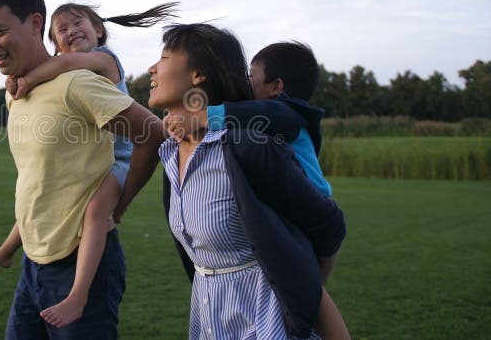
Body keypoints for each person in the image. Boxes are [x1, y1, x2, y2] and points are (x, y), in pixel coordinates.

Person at [116, 23, 347, 339]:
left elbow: (328, 227)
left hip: (267, 323)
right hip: (210, 317)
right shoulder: (169, 154)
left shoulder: (247, 145)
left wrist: (305, 288)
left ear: (198, 74)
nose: (151, 68)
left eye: (165, 57)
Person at [0, 0, 164, 339]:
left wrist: (121, 203)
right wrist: (11, 246)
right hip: (33, 267)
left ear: (35, 23)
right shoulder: (16, 93)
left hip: (80, 267)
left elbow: (152, 134)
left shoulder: (77, 82)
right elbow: (41, 181)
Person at [164, 40, 332, 197]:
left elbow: (249, 113)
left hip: (312, 198)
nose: (245, 81)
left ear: (275, 87)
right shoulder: (287, 118)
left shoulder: (287, 114)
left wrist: (199, 117)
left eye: (251, 75)